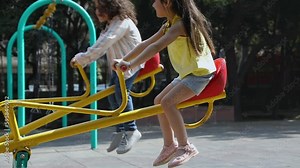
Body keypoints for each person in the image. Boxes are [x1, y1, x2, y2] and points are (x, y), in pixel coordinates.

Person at [113, 0, 216, 167]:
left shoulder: (179, 26)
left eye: (155, 1)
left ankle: (186, 146)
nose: (153, 4)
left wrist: (130, 66)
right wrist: (124, 60)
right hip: (188, 73)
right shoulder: (169, 25)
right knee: (158, 102)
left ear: (167, 3)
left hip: (199, 74)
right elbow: (146, 43)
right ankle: (169, 145)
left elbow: (155, 48)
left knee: (168, 103)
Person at [70, 0, 143, 154]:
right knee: (112, 96)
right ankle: (121, 130)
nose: (97, 11)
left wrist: (82, 58)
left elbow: (104, 44)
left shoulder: (122, 22)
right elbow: (100, 44)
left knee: (121, 94)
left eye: (101, 7)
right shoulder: (111, 25)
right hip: (119, 67)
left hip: (130, 64)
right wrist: (83, 58)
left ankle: (131, 130)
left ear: (112, 7)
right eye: (96, 8)